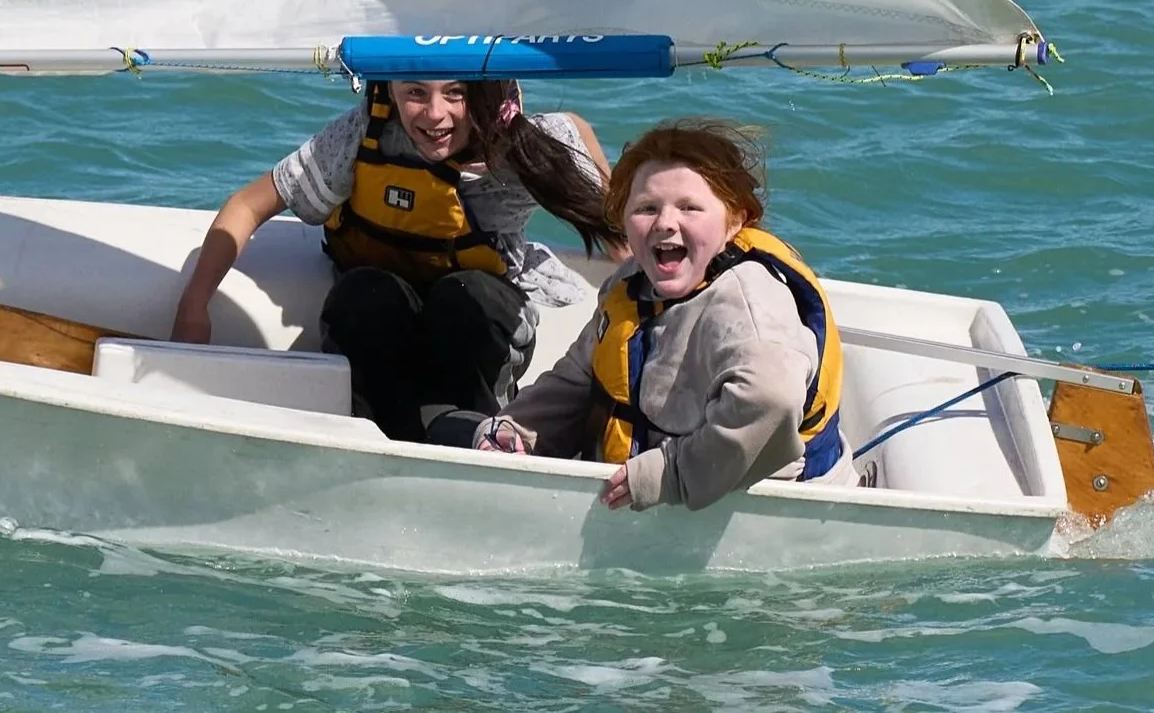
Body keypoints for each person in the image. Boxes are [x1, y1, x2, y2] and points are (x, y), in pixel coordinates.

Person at [168, 78, 613, 443]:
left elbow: (575, 131)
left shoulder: (520, 146)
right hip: (384, 316)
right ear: (390, 91)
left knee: (464, 296)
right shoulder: (363, 134)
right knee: (363, 292)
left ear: (487, 95)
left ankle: (484, 433)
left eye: (455, 93)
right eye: (415, 93)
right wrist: (193, 307)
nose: (434, 114)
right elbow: (248, 205)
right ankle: (374, 434)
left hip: (476, 322)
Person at [471, 119, 853, 511]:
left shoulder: (748, 305)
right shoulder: (632, 283)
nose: (666, 222)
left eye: (689, 207)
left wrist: (670, 474)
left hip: (766, 514)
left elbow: (770, 400)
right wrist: (517, 429)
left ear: (735, 222)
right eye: (646, 208)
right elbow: (582, 377)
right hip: (639, 498)